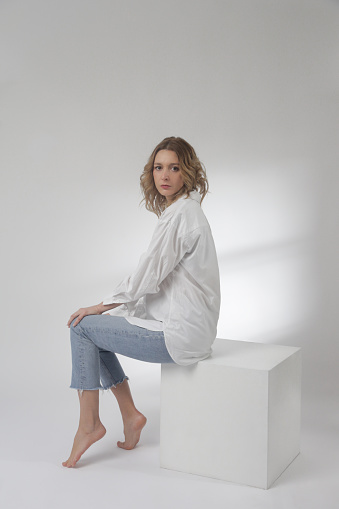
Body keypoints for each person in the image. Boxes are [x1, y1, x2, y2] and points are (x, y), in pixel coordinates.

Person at [62, 136, 220, 468]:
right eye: (158, 167)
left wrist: (100, 306)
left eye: (174, 168)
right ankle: (130, 415)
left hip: (178, 335)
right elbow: (157, 281)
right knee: (95, 334)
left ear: (187, 173)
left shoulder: (181, 215)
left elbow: (146, 277)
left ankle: (89, 425)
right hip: (191, 331)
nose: (164, 175)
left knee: (82, 328)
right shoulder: (185, 211)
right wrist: (115, 310)